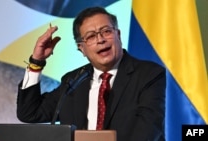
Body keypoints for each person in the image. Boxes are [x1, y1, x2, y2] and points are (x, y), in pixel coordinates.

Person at [17, 7, 166, 141]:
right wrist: (37, 61)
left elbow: (147, 131)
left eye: (106, 31)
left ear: (118, 35)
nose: (100, 40)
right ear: (81, 48)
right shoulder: (73, 81)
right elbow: (30, 113)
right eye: (91, 36)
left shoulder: (148, 75)